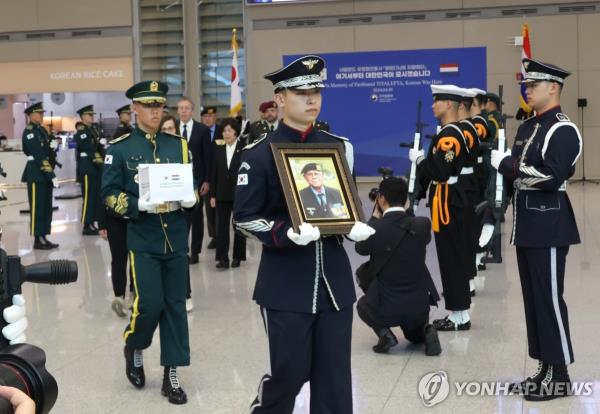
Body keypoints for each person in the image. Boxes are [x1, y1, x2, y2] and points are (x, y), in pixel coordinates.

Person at [233, 55, 374, 414]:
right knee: (289, 373)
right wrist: (284, 233)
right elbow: (244, 218)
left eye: (316, 92)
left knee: (334, 378)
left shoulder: (338, 147)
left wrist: (354, 227)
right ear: (279, 99)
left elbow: (345, 204)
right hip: (286, 283)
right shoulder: (258, 154)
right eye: (301, 93)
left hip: (334, 281)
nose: (312, 99)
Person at [101, 80, 197, 405]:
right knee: (149, 305)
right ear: (135, 109)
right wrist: (135, 205)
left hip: (175, 238)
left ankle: (172, 372)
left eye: (159, 105)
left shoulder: (178, 145)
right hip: (143, 238)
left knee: (175, 307)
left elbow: (189, 182)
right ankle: (134, 345)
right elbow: (108, 194)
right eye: (149, 105)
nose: (156, 111)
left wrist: (190, 197)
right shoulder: (120, 148)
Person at [492, 58, 581, 401]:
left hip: (550, 223)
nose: (527, 89)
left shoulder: (562, 128)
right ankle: (544, 368)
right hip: (528, 223)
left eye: (533, 85)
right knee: (533, 300)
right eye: (526, 85)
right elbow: (521, 167)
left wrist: (508, 167)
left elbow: (551, 176)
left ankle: (560, 375)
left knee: (549, 300)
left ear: (553, 88)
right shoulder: (529, 126)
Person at [409, 84, 472, 331]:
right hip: (448, 199)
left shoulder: (449, 136)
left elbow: (440, 172)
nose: (433, 105)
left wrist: (420, 160)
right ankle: (458, 311)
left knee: (452, 258)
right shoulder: (448, 132)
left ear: (448, 105)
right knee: (451, 257)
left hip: (449, 202)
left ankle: (459, 316)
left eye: (437, 101)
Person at [355, 177, 441, 356]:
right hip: (419, 308)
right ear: (407, 201)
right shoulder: (423, 225)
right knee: (413, 336)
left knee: (362, 306)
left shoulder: (375, 229)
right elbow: (412, 227)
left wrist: (374, 218)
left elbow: (360, 248)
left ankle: (386, 335)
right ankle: (426, 331)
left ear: (381, 199)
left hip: (387, 309)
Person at [177, 97, 213, 265]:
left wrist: (207, 180)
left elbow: (208, 157)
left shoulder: (202, 130)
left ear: (192, 111)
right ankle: (181, 249)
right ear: (177, 111)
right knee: (180, 218)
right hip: (176, 180)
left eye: (187, 108)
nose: (184, 111)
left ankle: (196, 251)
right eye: (181, 108)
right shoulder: (171, 129)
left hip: (197, 181)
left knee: (197, 218)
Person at [20, 102, 59, 250]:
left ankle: (44, 235)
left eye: (42, 113)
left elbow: (48, 155)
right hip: (36, 173)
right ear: (31, 115)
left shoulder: (42, 130)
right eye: (39, 113)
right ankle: (37, 239)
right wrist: (51, 175)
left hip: (44, 173)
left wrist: (53, 147)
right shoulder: (29, 132)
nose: (42, 115)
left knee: (46, 206)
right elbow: (38, 155)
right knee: (37, 207)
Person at [210, 118, 246, 269]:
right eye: (224, 131)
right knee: (221, 228)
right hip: (221, 194)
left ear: (236, 132)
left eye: (230, 131)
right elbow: (214, 173)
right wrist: (212, 195)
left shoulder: (244, 149)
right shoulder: (218, 149)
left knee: (238, 227)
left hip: (240, 195)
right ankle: (222, 258)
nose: (226, 134)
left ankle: (237, 257)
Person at [74, 105, 103, 235]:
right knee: (88, 196)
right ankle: (86, 224)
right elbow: (87, 147)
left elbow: (97, 146)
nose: (92, 116)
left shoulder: (93, 129)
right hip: (87, 166)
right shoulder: (82, 131)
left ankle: (91, 222)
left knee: (94, 197)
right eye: (89, 115)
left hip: (94, 166)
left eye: (92, 114)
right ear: (83, 117)